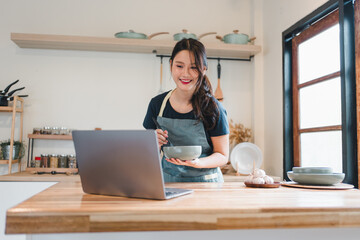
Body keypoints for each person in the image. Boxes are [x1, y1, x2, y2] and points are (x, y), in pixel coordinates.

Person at [143, 38, 229, 182]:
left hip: (206, 184)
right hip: (169, 182)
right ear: (171, 65)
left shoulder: (214, 108)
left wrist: (197, 163)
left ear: (203, 70)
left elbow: (222, 155)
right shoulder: (157, 105)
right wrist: (155, 143)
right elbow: (147, 154)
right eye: (179, 66)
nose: (185, 74)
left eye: (194, 67)